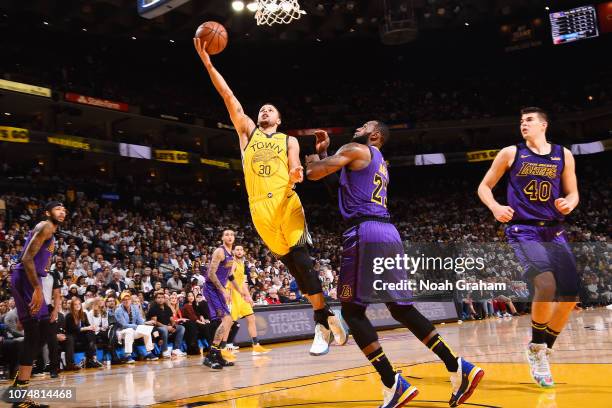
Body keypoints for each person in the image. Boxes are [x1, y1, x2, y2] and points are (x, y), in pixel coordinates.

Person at [306, 123, 484, 408]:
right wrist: (325, 152)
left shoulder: (355, 149)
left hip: (365, 232)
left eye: (365, 126)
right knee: (400, 307)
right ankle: (457, 366)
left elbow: (314, 174)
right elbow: (336, 188)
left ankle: (392, 382)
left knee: (352, 312)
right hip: (388, 233)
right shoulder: (377, 162)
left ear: (375, 135)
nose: (358, 127)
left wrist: (312, 158)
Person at [194, 39, 347, 356]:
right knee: (295, 269)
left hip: (286, 200)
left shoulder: (288, 139)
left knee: (303, 258)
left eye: (270, 109)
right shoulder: (246, 132)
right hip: (258, 210)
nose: (264, 110)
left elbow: (294, 163)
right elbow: (228, 96)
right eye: (262, 108)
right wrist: (208, 62)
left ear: (277, 119)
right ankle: (326, 314)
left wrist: (295, 174)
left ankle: (320, 323)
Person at [477, 107, 580, 387]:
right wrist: (496, 206)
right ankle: (536, 348)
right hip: (523, 229)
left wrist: (569, 203)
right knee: (545, 285)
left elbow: (573, 192)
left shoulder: (563, 154)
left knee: (570, 296)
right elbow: (484, 187)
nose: (524, 124)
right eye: (521, 121)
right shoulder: (511, 153)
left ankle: (545, 347)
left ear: (544, 125)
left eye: (529, 120)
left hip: (555, 230)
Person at [3, 201, 66, 408]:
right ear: (48, 213)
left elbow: (37, 260)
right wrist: (37, 289)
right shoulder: (45, 225)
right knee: (36, 334)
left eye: (64, 209)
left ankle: (18, 392)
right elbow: (26, 258)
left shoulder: (51, 233)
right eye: (58, 208)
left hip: (30, 279)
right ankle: (19, 396)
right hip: (27, 279)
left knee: (42, 334)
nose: (62, 211)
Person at [202, 230, 252, 369]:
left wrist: (241, 292)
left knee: (227, 321)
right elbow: (211, 273)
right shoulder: (220, 251)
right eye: (227, 234)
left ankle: (216, 354)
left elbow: (230, 277)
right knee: (226, 320)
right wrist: (223, 290)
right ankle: (211, 356)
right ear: (222, 237)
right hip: (211, 289)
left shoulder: (231, 256)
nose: (229, 236)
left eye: (232, 235)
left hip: (219, 291)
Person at [225, 245, 270, 355]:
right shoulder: (231, 261)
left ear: (244, 252)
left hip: (241, 295)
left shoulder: (242, 264)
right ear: (233, 251)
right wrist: (228, 294)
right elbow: (227, 277)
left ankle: (256, 346)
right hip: (231, 293)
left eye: (241, 250)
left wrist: (248, 296)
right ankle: (223, 348)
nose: (239, 251)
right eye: (237, 250)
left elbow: (242, 283)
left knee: (251, 318)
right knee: (228, 322)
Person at [114, 292, 158, 364]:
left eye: (128, 299)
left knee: (146, 329)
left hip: (133, 330)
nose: (126, 301)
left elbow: (140, 321)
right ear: (121, 301)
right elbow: (123, 325)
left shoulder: (135, 308)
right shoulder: (118, 310)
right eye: (124, 299)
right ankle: (127, 355)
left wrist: (145, 324)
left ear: (130, 300)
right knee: (129, 330)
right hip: (121, 332)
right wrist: (137, 326)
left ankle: (149, 352)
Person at [65, 297, 103, 369]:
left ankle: (91, 360)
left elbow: (87, 325)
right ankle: (71, 364)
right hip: (72, 336)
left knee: (91, 332)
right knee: (88, 332)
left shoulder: (84, 314)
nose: (77, 305)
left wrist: (92, 327)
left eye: (79, 304)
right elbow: (73, 329)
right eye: (75, 304)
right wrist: (87, 328)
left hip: (81, 335)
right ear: (72, 306)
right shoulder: (69, 316)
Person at [147, 292, 186, 358]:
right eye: (158, 298)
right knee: (164, 329)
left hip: (167, 326)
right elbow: (155, 322)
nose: (160, 299)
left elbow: (171, 319)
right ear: (156, 299)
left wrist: (173, 326)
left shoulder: (167, 308)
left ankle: (176, 349)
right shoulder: (153, 308)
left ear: (164, 299)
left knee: (181, 328)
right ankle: (164, 351)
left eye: (162, 298)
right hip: (156, 328)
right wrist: (166, 327)